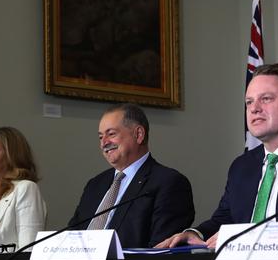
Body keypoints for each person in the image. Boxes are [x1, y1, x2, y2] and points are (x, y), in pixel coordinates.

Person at [157, 64, 278, 249]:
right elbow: (224, 219)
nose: (254, 108)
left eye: (266, 99)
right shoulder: (242, 166)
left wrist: (249, 238)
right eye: (249, 102)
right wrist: (194, 233)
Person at [68, 103, 195, 248]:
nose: (104, 143)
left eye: (111, 134)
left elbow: (160, 250)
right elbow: (73, 234)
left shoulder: (169, 183)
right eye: (100, 137)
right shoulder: (95, 185)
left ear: (138, 134)